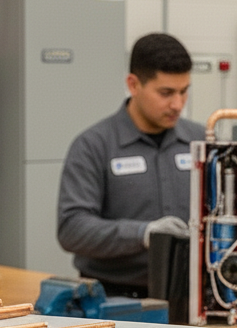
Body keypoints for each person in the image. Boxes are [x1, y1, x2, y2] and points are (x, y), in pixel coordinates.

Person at [57, 33, 205, 297]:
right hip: (116, 299)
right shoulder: (94, 146)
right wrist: (142, 233)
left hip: (192, 295)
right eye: (166, 93)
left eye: (184, 92)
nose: (178, 104)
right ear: (133, 84)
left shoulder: (201, 141)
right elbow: (72, 229)